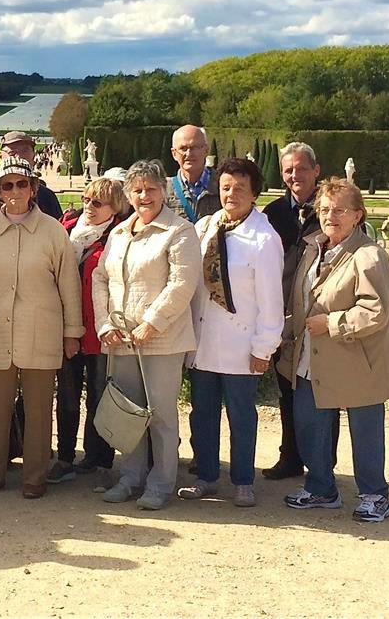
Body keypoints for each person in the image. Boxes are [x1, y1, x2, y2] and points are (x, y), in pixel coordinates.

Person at [282, 178, 389, 522]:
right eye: (324, 209)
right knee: (310, 423)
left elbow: (375, 311)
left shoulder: (368, 256)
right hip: (313, 356)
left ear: (357, 215)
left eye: (339, 210)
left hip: (357, 358)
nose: (330, 216)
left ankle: (375, 495)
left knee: (365, 429)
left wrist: (332, 323)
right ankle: (322, 488)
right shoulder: (313, 247)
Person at [92, 159, 202, 511]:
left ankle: (161, 482)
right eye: (137, 190)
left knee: (161, 414)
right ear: (128, 194)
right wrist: (106, 324)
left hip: (162, 340)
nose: (144, 196)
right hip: (123, 339)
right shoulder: (120, 232)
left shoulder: (179, 232)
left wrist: (152, 323)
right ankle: (131, 476)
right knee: (130, 412)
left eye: (151, 189)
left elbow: (182, 283)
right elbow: (101, 279)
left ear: (163, 192)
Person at [180, 157, 283, 508]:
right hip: (205, 340)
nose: (231, 194)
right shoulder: (207, 227)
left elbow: (271, 300)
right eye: (225, 187)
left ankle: (243, 480)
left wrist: (264, 347)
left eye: (240, 188)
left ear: (254, 193)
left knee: (241, 415)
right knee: (202, 413)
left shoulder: (264, 238)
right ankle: (207, 476)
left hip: (241, 343)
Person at [0, 157, 81, 499]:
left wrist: (72, 332)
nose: (15, 191)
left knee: (38, 410)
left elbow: (69, 285)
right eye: (7, 185)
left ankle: (34, 477)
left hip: (42, 329)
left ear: (33, 188)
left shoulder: (54, 231)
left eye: (22, 184)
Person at [50, 174, 130, 490]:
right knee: (67, 396)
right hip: (68, 326)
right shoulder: (69, 229)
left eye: (97, 202)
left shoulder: (120, 235)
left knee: (100, 397)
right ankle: (66, 457)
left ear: (115, 207)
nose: (89, 207)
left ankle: (100, 461)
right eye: (86, 200)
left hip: (100, 330)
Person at [259, 140, 325, 481]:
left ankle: (321, 463)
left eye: (301, 168)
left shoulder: (330, 210)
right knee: (287, 388)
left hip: (317, 313)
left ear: (316, 170)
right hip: (283, 314)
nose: (294, 175)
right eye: (289, 169)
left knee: (321, 391)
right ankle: (290, 457)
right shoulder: (273, 213)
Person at [0, 131, 63, 219]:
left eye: (25, 151)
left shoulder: (47, 197)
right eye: (12, 152)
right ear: (0, 156)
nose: (19, 156)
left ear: (33, 156)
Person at [169, 125, 220, 224]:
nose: (189, 154)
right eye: (183, 148)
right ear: (174, 153)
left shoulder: (223, 186)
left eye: (194, 147)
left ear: (206, 150)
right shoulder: (164, 190)